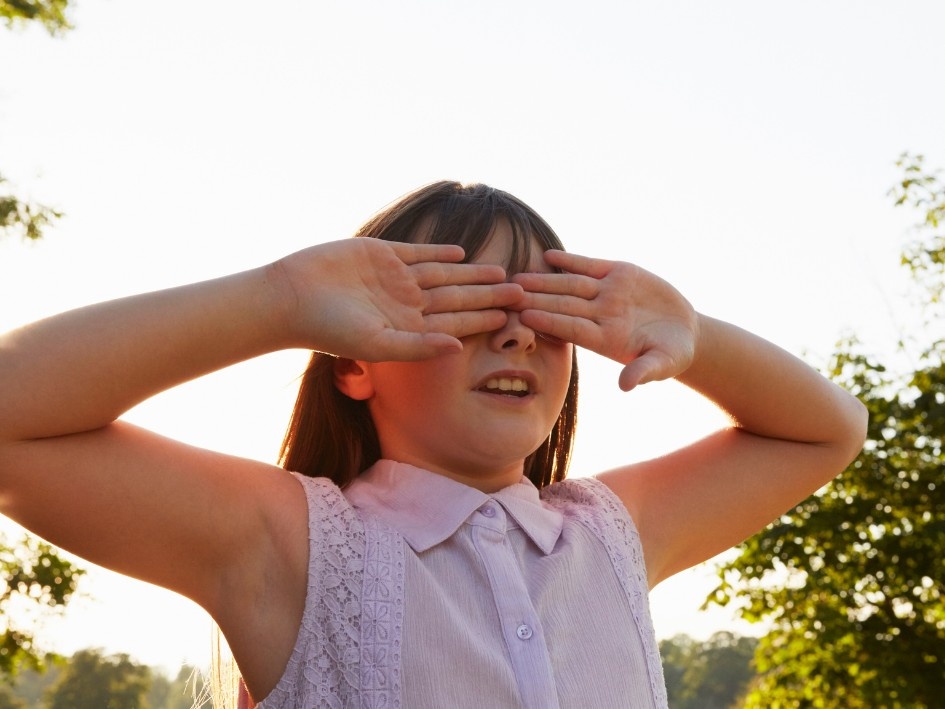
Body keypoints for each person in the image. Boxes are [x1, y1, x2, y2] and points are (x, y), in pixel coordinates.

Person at [0, 181, 866, 708]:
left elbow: (829, 429)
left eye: (543, 314)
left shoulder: (608, 532)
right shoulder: (294, 542)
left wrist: (696, 335)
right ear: (354, 364)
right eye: (470, 305)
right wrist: (277, 300)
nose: (517, 336)